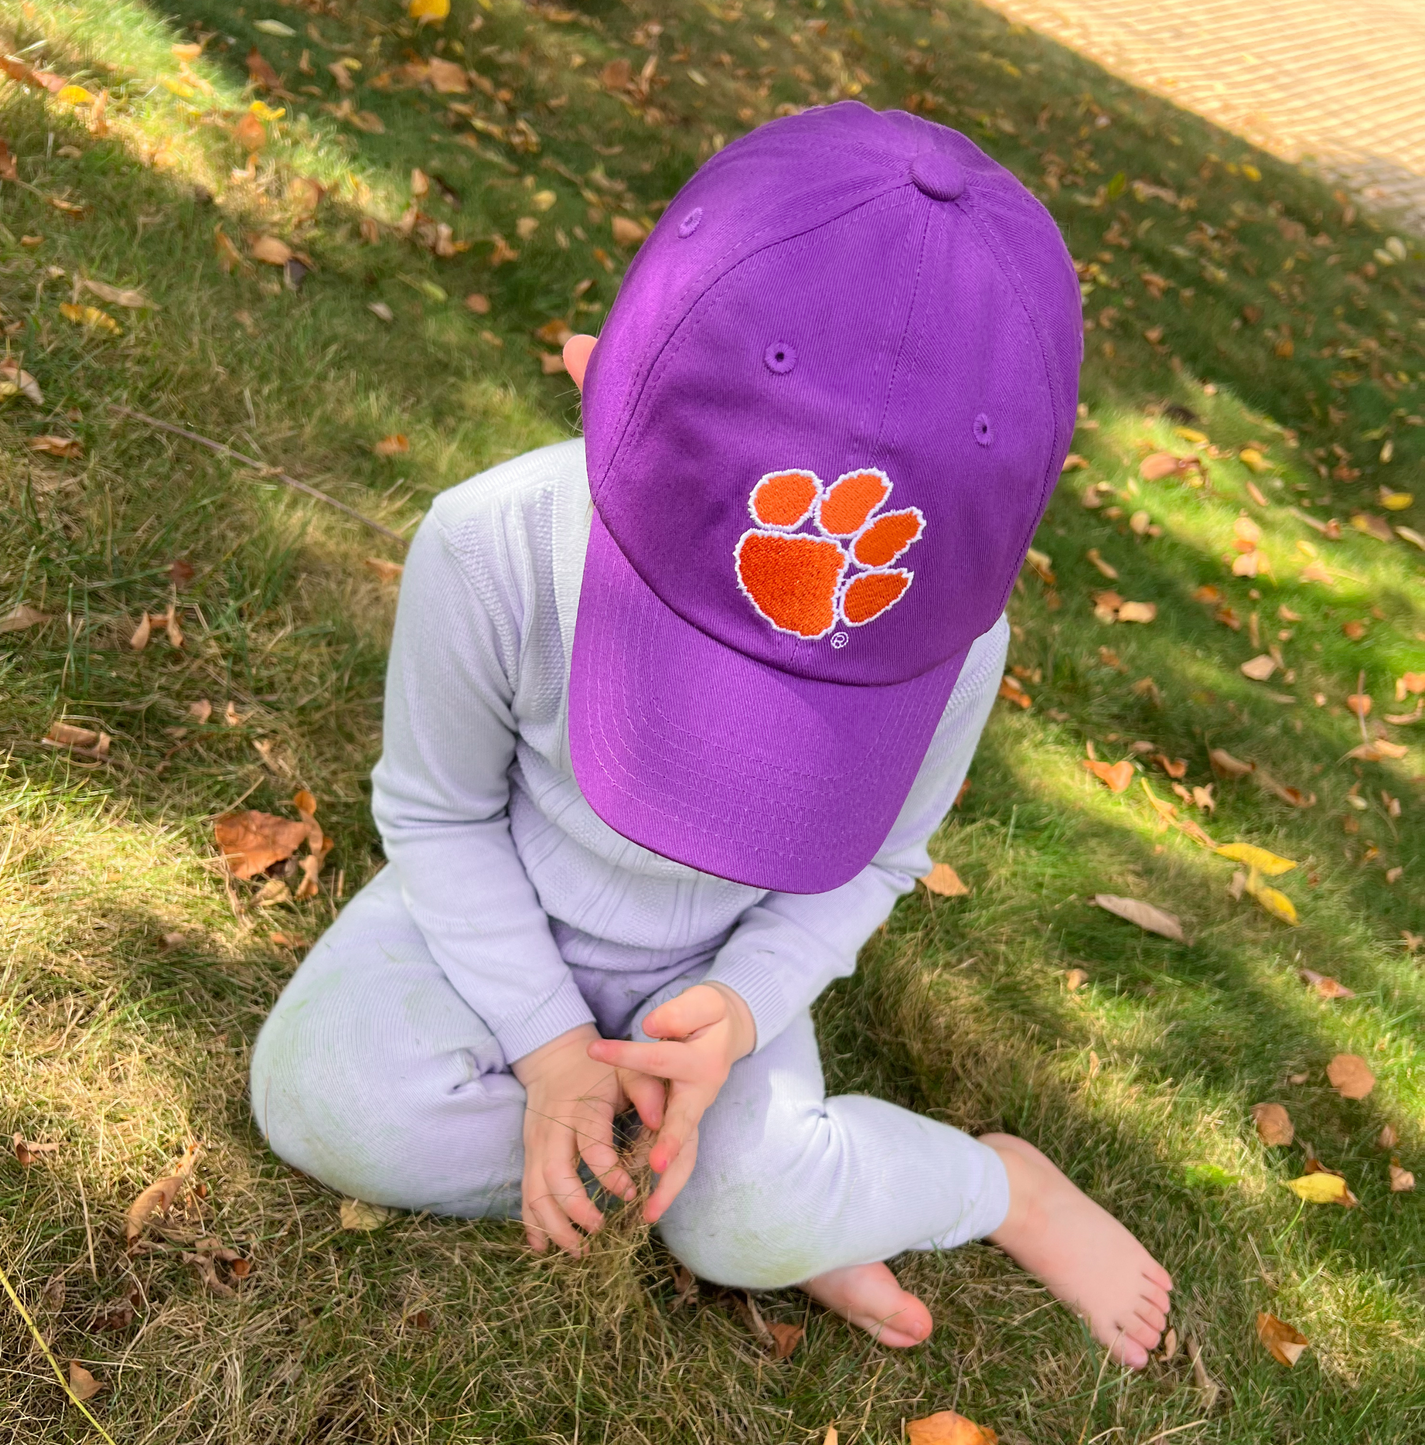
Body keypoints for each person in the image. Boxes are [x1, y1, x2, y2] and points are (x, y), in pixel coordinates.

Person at [250, 101, 1172, 1366]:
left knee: (742, 1209)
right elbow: (438, 814)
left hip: (713, 989)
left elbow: (874, 863)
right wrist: (550, 1047)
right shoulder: (493, 544)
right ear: (599, 378)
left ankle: (992, 1185)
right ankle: (777, 1206)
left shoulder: (953, 640)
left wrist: (739, 1010)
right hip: (494, 923)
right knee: (317, 1096)